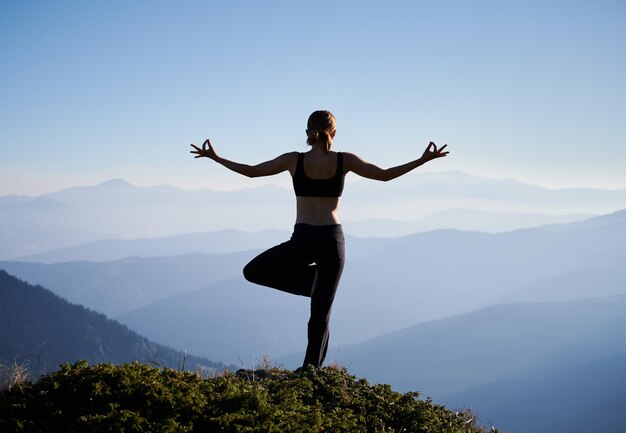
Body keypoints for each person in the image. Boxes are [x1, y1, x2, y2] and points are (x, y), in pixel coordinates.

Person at [190, 110, 449, 368]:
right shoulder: (343, 160)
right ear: (334, 133)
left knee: (255, 271)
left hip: (303, 238)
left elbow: (251, 172)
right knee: (320, 314)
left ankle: (311, 358)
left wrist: (215, 157)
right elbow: (383, 174)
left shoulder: (294, 160)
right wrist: (422, 160)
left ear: (307, 132)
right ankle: (312, 351)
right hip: (331, 240)